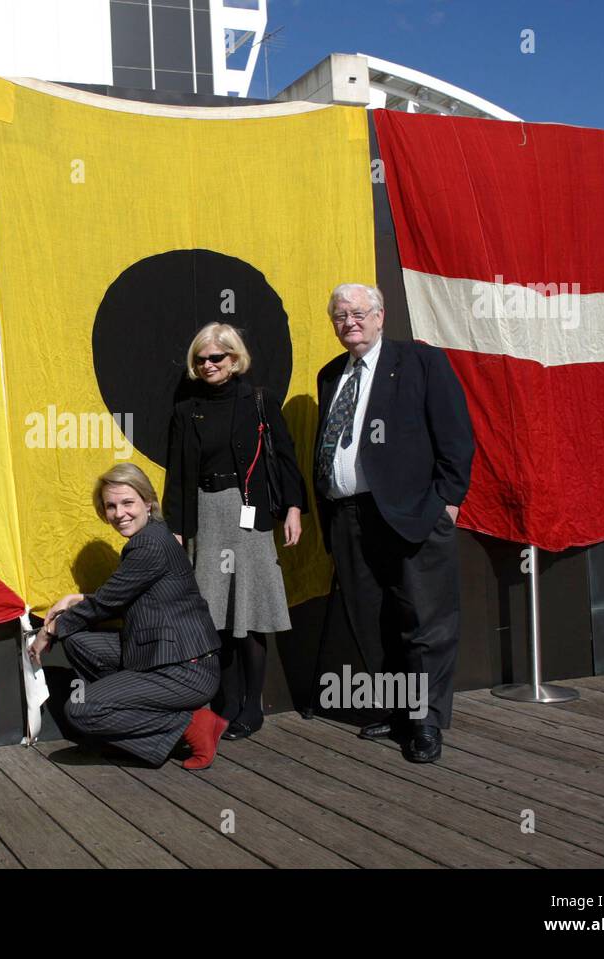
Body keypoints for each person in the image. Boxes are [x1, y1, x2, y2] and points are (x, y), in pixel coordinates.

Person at [313, 283, 474, 763]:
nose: (350, 322)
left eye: (359, 312)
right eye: (340, 315)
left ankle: (425, 722)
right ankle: (401, 709)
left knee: (424, 620)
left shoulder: (421, 363)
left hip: (412, 515)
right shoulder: (329, 375)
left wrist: (446, 501)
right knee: (373, 621)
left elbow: (456, 438)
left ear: (381, 316)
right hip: (348, 517)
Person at [29, 464, 228, 770]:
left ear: (148, 502)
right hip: (161, 653)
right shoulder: (154, 536)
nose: (119, 513)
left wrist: (51, 629)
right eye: (110, 506)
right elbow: (126, 593)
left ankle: (192, 722)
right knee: (80, 642)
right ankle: (132, 716)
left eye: (127, 503)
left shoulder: (149, 543)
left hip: (186, 670)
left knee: (81, 710)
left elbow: (109, 602)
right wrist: (77, 599)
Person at [163, 323, 307, 741]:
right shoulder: (185, 410)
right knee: (214, 617)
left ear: (234, 358)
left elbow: (284, 456)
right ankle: (225, 703)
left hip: (250, 513)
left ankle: (252, 706)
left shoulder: (259, 401)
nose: (208, 365)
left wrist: (294, 508)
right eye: (201, 359)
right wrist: (176, 528)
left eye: (216, 358)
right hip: (206, 516)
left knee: (251, 611)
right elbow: (177, 476)